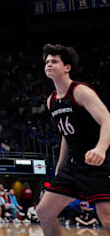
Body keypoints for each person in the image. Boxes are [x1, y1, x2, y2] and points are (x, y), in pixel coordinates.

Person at [37, 44, 110, 236]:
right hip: (74, 165)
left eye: (54, 61)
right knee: (44, 212)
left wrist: (101, 149)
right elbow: (66, 137)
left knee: (107, 219)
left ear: (67, 67)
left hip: (99, 163)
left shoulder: (80, 91)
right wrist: (60, 169)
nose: (49, 65)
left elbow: (107, 119)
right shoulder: (51, 101)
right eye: (47, 62)